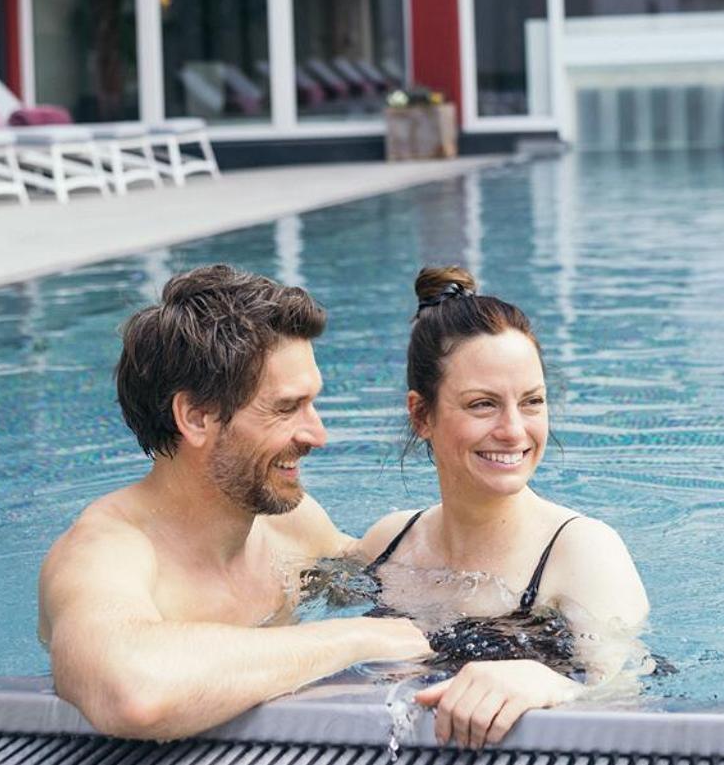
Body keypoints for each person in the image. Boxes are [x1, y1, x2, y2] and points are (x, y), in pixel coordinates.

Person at [37, 264, 431, 740]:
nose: (318, 435)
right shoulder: (103, 553)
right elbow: (133, 692)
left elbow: (402, 587)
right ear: (196, 417)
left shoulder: (289, 525)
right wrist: (356, 637)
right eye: (286, 408)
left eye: (312, 404)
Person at [349, 265, 652, 750]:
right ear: (421, 415)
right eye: (483, 404)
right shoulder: (388, 543)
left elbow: (626, 696)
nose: (514, 431)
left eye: (532, 402)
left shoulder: (582, 551)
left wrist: (556, 686)